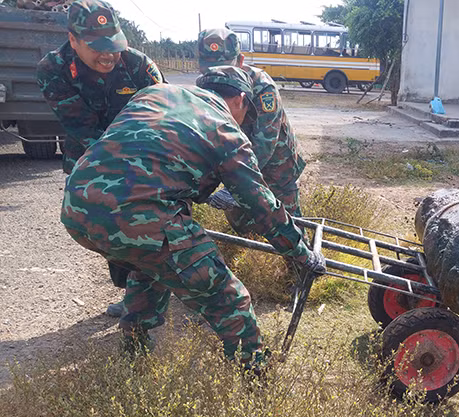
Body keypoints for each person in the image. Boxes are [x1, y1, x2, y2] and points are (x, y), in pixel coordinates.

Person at [60, 67, 325, 372]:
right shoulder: (226, 131)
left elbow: (144, 150)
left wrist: (193, 188)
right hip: (141, 216)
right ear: (240, 99)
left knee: (150, 263)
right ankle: (258, 382)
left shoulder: (155, 93)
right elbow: (261, 206)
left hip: (77, 209)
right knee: (230, 301)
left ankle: (134, 353)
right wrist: (301, 252)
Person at [37, 0, 164, 316]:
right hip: (91, 158)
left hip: (142, 160)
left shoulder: (139, 67)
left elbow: (165, 119)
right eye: (97, 47)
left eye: (114, 45)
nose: (108, 55)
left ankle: (143, 297)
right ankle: (131, 290)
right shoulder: (53, 69)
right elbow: (83, 127)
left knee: (149, 229)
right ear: (73, 40)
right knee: (105, 231)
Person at [197, 28, 305, 223]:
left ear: (240, 61)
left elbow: (265, 142)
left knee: (287, 222)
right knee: (241, 222)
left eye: (225, 68)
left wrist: (237, 182)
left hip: (276, 165)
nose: (217, 75)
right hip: (240, 164)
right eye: (209, 69)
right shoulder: (203, 87)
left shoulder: (262, 88)